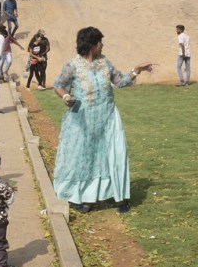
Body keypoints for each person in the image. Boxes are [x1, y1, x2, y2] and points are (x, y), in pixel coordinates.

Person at [52, 26, 153, 213]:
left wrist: (136, 70)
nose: (102, 45)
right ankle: (87, 198)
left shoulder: (105, 62)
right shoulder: (72, 65)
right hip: (83, 121)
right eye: (100, 42)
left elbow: (121, 81)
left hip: (107, 117)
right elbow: (58, 85)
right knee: (86, 157)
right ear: (91, 44)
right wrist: (66, 97)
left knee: (114, 155)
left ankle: (120, 196)